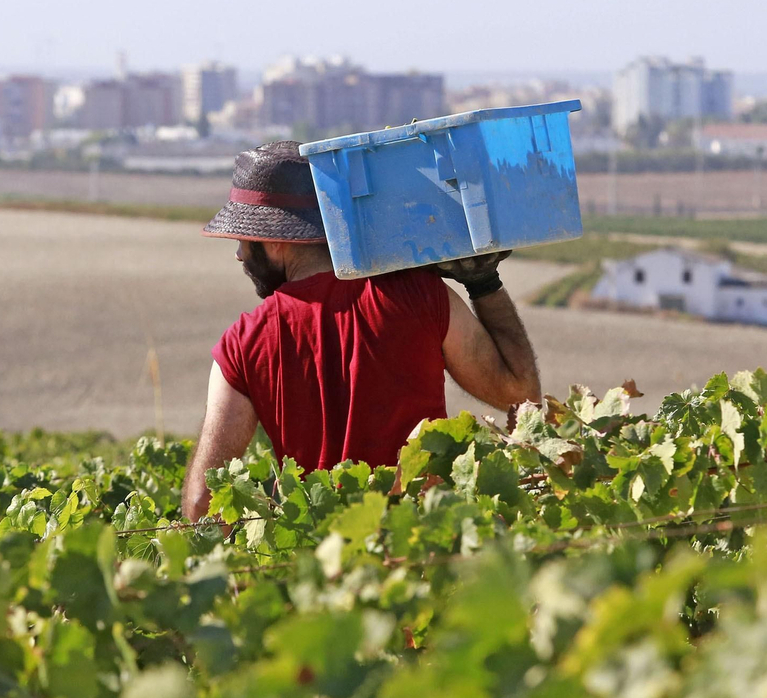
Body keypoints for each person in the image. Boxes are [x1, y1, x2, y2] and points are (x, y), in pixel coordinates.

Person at [181, 141, 540, 520]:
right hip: (423, 551)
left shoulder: (244, 342)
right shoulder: (421, 296)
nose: (239, 254)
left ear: (275, 241)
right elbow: (520, 393)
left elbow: (201, 504)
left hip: (324, 566)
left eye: (244, 239)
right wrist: (484, 283)